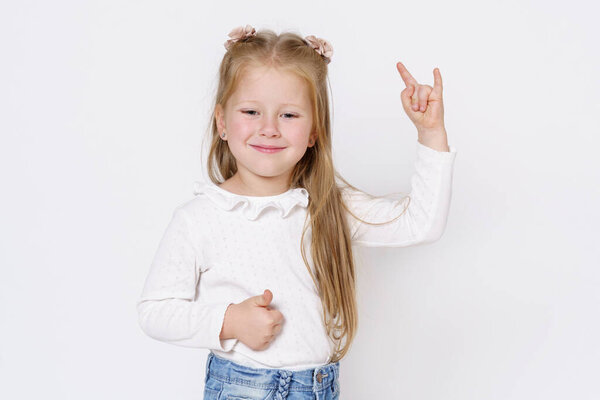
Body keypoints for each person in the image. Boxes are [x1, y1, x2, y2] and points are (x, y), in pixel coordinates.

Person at [136, 24, 457, 400]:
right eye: (252, 111)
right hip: (243, 389)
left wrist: (431, 134)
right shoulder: (201, 217)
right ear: (222, 122)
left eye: (289, 115)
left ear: (314, 131)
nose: (269, 128)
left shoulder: (327, 206)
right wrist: (228, 321)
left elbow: (420, 225)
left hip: (318, 387)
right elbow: (155, 312)